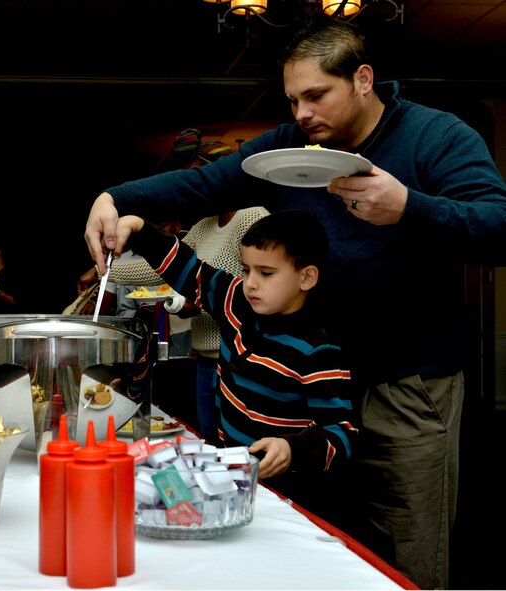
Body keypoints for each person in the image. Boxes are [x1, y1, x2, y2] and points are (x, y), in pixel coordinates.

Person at [83, 15, 506, 590]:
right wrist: (117, 197)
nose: (302, 112)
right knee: (320, 536)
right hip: (306, 377)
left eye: (316, 95)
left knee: (405, 539)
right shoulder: (291, 147)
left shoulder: (436, 137)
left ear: (363, 79)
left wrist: (409, 205)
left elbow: (498, 228)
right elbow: (206, 185)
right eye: (293, 99)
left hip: (404, 382)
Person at [117, 209, 356, 524]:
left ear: (306, 277)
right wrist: (139, 228)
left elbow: (343, 434)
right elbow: (190, 271)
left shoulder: (318, 351)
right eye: (246, 270)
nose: (250, 283)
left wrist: (291, 449)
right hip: (233, 484)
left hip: (288, 502)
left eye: (266, 273)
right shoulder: (234, 301)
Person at [110, 207, 269, 440]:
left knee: (240, 448)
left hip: (239, 361)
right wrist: (105, 272)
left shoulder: (253, 217)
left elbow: (263, 285)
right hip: (204, 360)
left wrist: (201, 303)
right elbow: (169, 266)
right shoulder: (203, 225)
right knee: (208, 444)